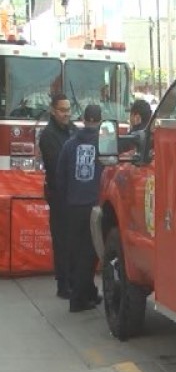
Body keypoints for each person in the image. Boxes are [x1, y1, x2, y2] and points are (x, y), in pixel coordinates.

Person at [56, 104, 104, 313]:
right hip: (94, 206)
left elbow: (60, 177)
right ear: (100, 121)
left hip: (73, 206)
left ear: (84, 120)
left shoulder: (69, 145)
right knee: (90, 254)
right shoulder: (104, 145)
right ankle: (78, 300)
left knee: (75, 253)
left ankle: (84, 293)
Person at [38, 93, 76, 299]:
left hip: (75, 196)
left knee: (75, 241)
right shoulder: (48, 135)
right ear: (53, 110)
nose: (67, 114)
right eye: (62, 110)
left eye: (68, 110)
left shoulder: (72, 130)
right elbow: (56, 167)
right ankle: (63, 285)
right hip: (59, 195)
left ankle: (74, 281)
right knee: (62, 241)